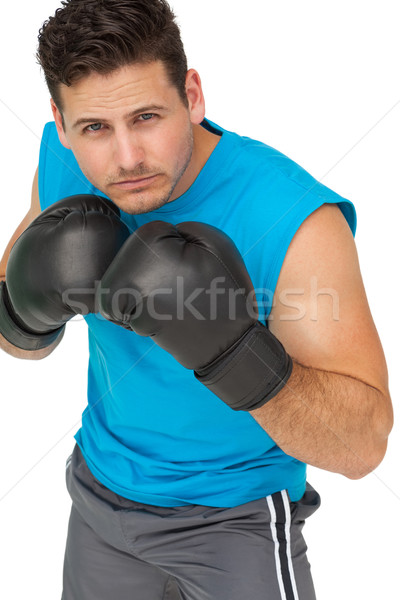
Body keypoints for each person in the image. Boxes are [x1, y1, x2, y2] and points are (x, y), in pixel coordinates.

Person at [0, 1, 393, 599]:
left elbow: (362, 448)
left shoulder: (290, 217)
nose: (126, 157)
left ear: (193, 93)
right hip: (98, 494)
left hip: (235, 522)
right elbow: (16, 337)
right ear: (59, 121)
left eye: (148, 116)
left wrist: (232, 350)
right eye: (95, 128)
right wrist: (25, 313)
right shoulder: (62, 160)